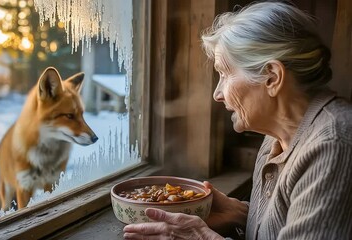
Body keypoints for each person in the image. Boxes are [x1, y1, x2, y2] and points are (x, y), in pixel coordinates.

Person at [123, 1, 352, 239]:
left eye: (224, 74)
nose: (217, 94)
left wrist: (202, 237)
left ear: (272, 77)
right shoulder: (275, 138)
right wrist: (241, 214)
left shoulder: (332, 146)